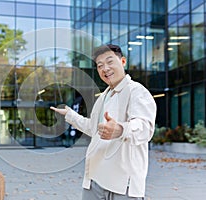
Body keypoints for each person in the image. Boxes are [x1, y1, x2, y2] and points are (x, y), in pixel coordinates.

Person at [50, 44, 157, 200]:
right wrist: (71, 115)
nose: (105, 68)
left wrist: (120, 129)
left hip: (122, 185)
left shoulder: (136, 91)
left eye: (110, 62)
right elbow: (94, 128)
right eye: (100, 66)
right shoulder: (104, 96)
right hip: (95, 179)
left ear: (123, 61)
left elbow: (144, 127)